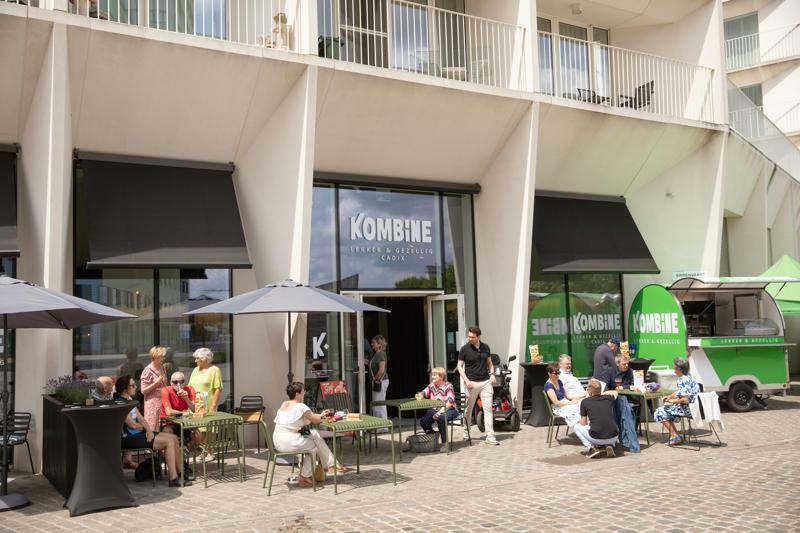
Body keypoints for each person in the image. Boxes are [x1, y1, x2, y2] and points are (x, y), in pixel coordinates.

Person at [114, 375, 191, 487]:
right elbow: (133, 425)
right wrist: (146, 430)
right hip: (128, 438)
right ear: (125, 390)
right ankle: (173, 478)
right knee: (169, 442)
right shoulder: (120, 403)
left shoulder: (129, 400)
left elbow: (141, 419)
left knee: (174, 438)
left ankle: (181, 473)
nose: (136, 387)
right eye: (133, 385)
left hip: (139, 434)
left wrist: (149, 431)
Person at [273, 382, 348, 488]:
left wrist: (321, 414)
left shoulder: (284, 404)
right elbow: (315, 420)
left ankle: (332, 464)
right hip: (289, 441)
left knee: (314, 433)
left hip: (277, 441)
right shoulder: (301, 406)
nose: (304, 393)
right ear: (297, 394)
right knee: (314, 447)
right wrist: (323, 417)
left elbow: (310, 415)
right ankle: (305, 476)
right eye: (303, 391)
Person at [457, 325, 498, 445]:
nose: (470, 339)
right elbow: (459, 366)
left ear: (478, 337)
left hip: (485, 382)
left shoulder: (486, 347)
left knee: (488, 409)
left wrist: (492, 374)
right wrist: (466, 380)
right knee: (468, 409)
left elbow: (489, 363)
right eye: (469, 336)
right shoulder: (464, 349)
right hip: (471, 383)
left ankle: (490, 436)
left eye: (472, 337)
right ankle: (466, 432)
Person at [654, 358, 700, 446]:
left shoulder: (682, 380)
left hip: (688, 409)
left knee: (659, 412)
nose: (673, 367)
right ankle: (676, 436)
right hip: (695, 407)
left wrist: (672, 401)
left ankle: (675, 437)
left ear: (679, 368)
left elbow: (685, 400)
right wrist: (670, 396)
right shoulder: (689, 377)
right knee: (664, 410)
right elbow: (680, 391)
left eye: (674, 366)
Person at [188, 347, 224, 461]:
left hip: (208, 402)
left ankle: (210, 452)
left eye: (197, 358)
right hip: (197, 403)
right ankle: (203, 451)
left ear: (205, 358)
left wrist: (214, 405)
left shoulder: (214, 370)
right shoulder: (195, 370)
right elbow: (190, 387)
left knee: (209, 429)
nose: (195, 361)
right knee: (199, 430)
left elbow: (218, 388)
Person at [574, 379, 619, 458]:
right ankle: (609, 445)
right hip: (614, 437)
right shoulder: (608, 398)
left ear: (589, 391)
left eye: (587, 389)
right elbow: (615, 392)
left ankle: (591, 448)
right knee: (606, 424)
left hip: (597, 438)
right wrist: (601, 393)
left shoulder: (585, 402)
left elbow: (584, 423)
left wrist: (580, 422)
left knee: (576, 427)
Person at [416, 367, 457, 452]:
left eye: (435, 375)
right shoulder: (432, 386)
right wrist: (419, 395)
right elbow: (424, 393)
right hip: (435, 409)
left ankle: (445, 444)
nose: (432, 377)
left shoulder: (448, 386)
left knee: (441, 418)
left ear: (441, 377)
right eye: (432, 375)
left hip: (449, 409)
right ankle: (433, 435)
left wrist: (439, 413)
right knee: (424, 422)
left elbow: (450, 402)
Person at [161, 371, 202, 450]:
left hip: (184, 422)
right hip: (169, 423)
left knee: (198, 435)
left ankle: (186, 451)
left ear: (184, 382)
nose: (178, 385)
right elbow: (169, 412)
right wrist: (184, 413)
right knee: (167, 431)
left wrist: (186, 398)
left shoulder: (190, 389)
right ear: (171, 383)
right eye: (175, 382)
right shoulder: (166, 390)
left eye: (181, 381)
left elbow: (196, 410)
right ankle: (176, 452)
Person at [140, 346, 169, 432]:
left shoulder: (162, 367)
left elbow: (165, 384)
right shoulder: (147, 370)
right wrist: (155, 384)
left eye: (163, 356)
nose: (163, 358)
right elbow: (143, 390)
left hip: (163, 402)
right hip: (152, 404)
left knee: (163, 427)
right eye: (161, 356)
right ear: (155, 357)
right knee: (153, 428)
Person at [544, 362, 581, 427]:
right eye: (556, 373)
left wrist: (581, 396)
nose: (558, 375)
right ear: (549, 374)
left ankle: (582, 428)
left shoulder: (559, 381)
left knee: (583, 405)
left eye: (559, 373)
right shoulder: (549, 385)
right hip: (558, 407)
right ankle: (580, 429)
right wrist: (571, 403)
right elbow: (556, 403)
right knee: (576, 411)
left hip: (566, 403)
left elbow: (567, 396)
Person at [369, 335, 389, 421]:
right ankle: (379, 424)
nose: (372, 344)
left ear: (379, 344)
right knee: (377, 404)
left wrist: (375, 379)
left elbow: (381, 370)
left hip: (380, 381)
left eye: (374, 342)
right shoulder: (377, 354)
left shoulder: (381, 354)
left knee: (379, 404)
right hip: (378, 381)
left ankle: (383, 425)